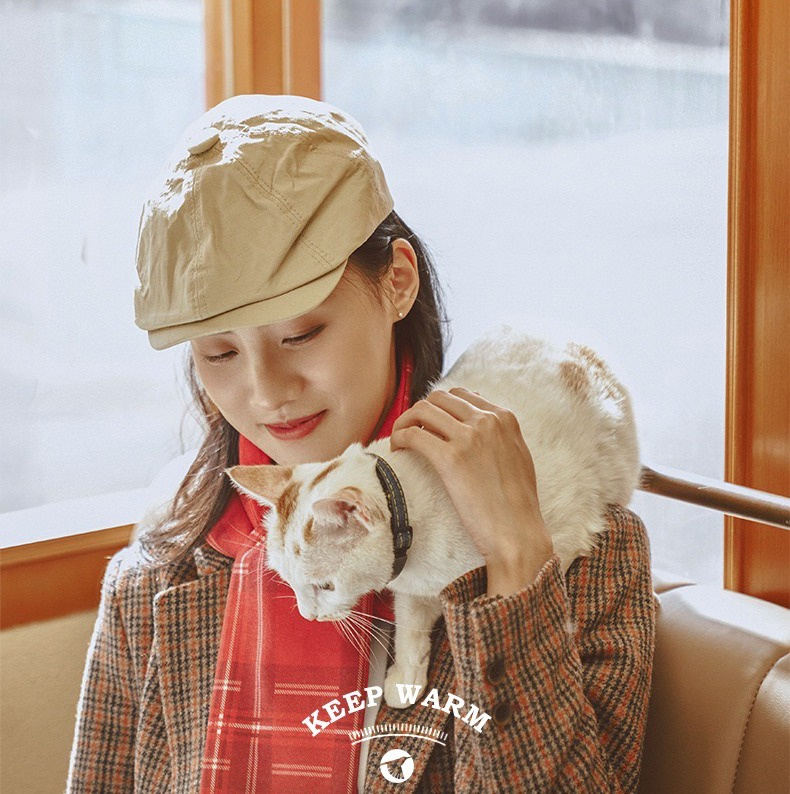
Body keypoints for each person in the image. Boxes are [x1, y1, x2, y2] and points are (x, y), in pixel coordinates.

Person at [67, 94, 656, 793]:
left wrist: (515, 561)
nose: (267, 392)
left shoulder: (577, 547)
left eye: (301, 335)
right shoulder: (160, 572)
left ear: (396, 282)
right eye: (219, 353)